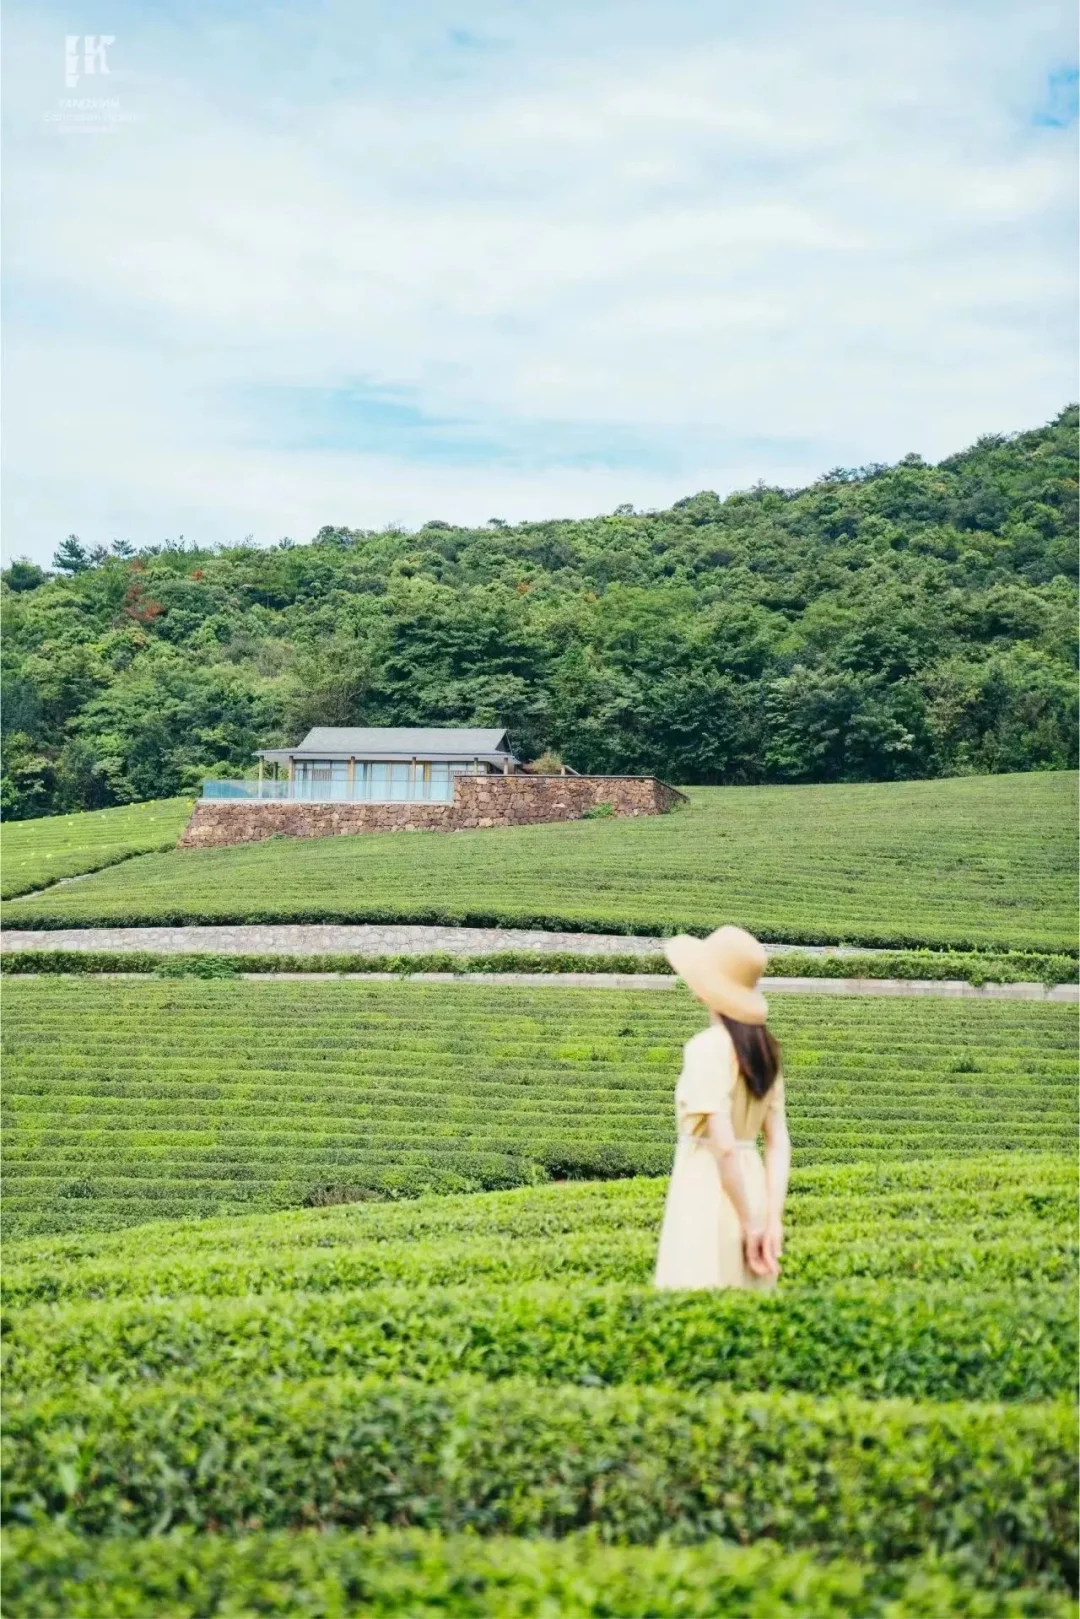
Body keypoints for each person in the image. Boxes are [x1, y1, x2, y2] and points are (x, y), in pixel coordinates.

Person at [654, 924, 791, 1289]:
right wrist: (769, 1219)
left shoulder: (707, 1048)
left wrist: (747, 1223)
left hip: (708, 1185)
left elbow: (724, 1147)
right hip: (755, 1187)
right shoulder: (767, 1052)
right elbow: (777, 1142)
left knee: (699, 1290)